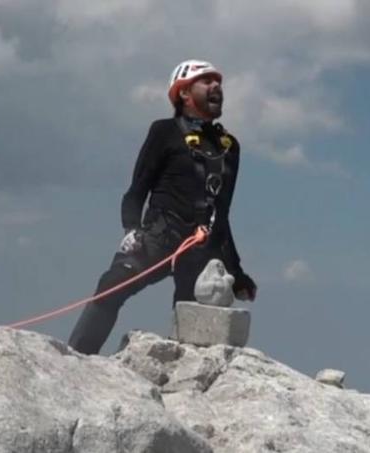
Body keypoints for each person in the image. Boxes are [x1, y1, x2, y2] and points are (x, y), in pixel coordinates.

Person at [67, 59, 257, 355]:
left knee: (193, 322)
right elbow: (136, 192)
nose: (217, 86)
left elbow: (223, 215)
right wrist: (131, 229)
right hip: (158, 236)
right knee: (110, 288)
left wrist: (237, 272)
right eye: (206, 81)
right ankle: (75, 360)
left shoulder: (229, 147)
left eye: (218, 81)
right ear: (183, 93)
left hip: (200, 248)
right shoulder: (163, 132)